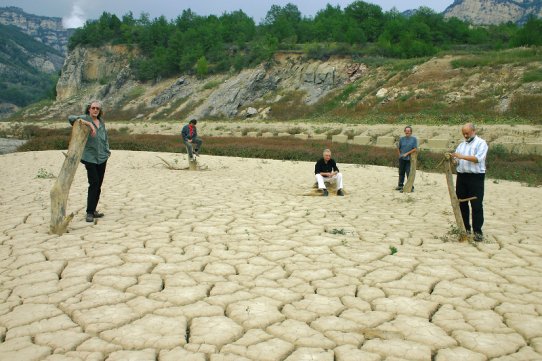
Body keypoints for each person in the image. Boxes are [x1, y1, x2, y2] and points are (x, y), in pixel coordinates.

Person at [68, 100, 111, 223]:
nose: (95, 110)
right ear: (89, 109)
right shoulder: (84, 118)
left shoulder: (101, 121)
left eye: (97, 108)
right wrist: (89, 124)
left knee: (98, 185)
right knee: (94, 183)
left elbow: (104, 137)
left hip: (102, 157)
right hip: (89, 157)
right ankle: (89, 213)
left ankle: (94, 209)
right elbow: (71, 118)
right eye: (93, 108)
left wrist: (107, 150)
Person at [452, 123, 488, 242]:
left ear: (473, 131)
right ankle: (465, 228)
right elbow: (456, 160)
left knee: (476, 204)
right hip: (462, 177)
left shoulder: (481, 143)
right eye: (464, 134)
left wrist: (461, 157)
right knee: (462, 203)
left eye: (467, 133)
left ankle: (477, 231)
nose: (465, 135)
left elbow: (478, 159)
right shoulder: (461, 145)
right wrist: (453, 160)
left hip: (476, 178)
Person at [396, 126, 417, 192]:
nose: (407, 132)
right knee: (401, 172)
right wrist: (399, 155)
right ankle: (400, 185)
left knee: (409, 172)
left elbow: (415, 149)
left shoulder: (414, 139)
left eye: (409, 131)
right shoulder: (402, 139)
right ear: (404, 131)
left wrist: (407, 153)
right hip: (402, 158)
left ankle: (411, 186)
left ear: (411, 132)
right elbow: (398, 148)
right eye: (406, 131)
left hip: (409, 159)